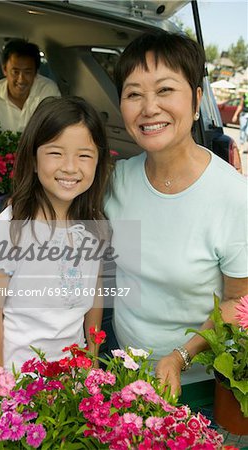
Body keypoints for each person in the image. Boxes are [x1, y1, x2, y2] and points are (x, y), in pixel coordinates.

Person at [104, 30, 248, 394]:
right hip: (124, 368)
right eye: (134, 93)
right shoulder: (116, 180)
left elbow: (239, 302)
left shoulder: (232, 196)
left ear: (197, 99)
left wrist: (180, 356)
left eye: (165, 90)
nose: (149, 107)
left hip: (199, 382)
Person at [0, 96, 110, 372]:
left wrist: (92, 361)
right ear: (34, 160)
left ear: (98, 162)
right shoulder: (11, 228)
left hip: (72, 382)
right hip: (18, 382)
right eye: (56, 153)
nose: (70, 167)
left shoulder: (94, 225)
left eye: (84, 155)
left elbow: (95, 296)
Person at [0, 39, 61, 134]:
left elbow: (54, 132)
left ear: (36, 72)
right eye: (15, 72)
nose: (21, 79)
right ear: (4, 69)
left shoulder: (47, 91)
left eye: (27, 72)